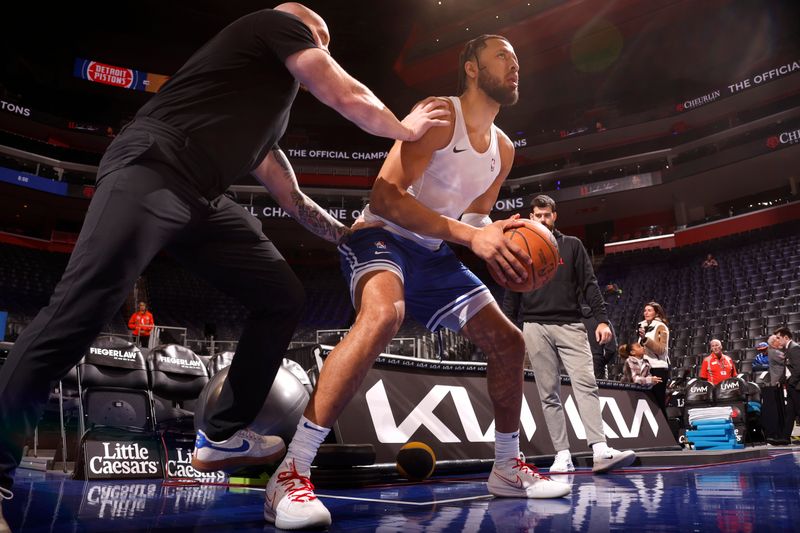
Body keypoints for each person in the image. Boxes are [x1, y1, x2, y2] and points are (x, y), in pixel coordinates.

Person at [0, 2, 450, 515]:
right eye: (320, 39)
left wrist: (346, 236)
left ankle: (219, 434)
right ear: (303, 29)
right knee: (77, 312)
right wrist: (403, 128)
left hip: (200, 196)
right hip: (152, 165)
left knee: (282, 296)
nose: (324, 47)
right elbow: (343, 91)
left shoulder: (261, 105)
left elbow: (293, 200)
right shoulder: (276, 26)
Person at [261, 34, 572, 530]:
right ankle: (291, 471)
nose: (514, 65)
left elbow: (474, 215)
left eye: (517, 59)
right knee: (386, 314)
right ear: (471, 67)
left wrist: (495, 234)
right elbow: (385, 197)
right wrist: (472, 237)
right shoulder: (439, 116)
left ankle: (506, 468)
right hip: (379, 236)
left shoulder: (504, 150)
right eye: (501, 56)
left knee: (508, 343)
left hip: (431, 251)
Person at [502, 194, 636, 475]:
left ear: (555, 215)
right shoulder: (520, 246)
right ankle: (562, 455)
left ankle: (599, 449)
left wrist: (602, 321)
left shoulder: (572, 245)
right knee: (548, 393)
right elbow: (512, 290)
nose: (542, 220)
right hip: (534, 327)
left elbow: (590, 284)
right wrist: (509, 328)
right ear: (531, 216)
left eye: (546, 215)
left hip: (571, 325)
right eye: (537, 216)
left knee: (585, 384)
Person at [637, 301, 670, 408]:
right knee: (647, 404)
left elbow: (660, 350)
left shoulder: (661, 327)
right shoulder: (642, 327)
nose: (646, 313)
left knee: (658, 405)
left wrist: (645, 339)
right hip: (645, 369)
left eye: (649, 310)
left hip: (658, 369)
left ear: (656, 313)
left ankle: (664, 425)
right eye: (645, 310)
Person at [773, 327, 800, 441]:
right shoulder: (788, 349)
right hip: (791, 386)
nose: (777, 340)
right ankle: (785, 438)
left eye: (779, 338)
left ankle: (784, 437)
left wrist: (791, 383)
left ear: (786, 337)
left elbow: (799, 368)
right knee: (790, 412)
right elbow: (789, 369)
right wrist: (782, 381)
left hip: (796, 386)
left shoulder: (794, 348)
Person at [581, 304, 617, 380]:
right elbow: (611, 348)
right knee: (597, 391)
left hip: (575, 362)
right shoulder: (603, 323)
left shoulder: (574, 320)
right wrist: (601, 362)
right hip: (596, 364)